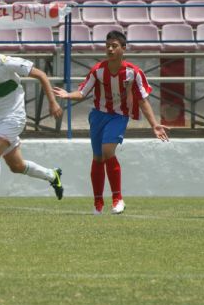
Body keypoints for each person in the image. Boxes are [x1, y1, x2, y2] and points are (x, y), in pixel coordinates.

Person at [53, 30, 169, 215]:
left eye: (114, 46)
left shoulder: (133, 72)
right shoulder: (98, 70)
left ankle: (117, 198)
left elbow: (142, 100)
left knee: (108, 151)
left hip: (118, 117)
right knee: (98, 157)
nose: (110, 49)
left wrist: (154, 124)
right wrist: (68, 95)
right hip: (98, 116)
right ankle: (98, 203)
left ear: (124, 49)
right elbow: (82, 92)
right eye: (107, 45)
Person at [0, 32, 64, 215]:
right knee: (16, 166)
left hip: (15, 117)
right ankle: (52, 175)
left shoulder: (7, 62)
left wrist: (52, 102)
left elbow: (41, 75)